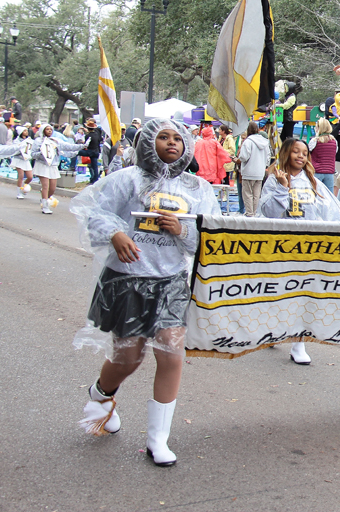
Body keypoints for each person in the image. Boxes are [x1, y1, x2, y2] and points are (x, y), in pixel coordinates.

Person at [71, 118, 220, 466]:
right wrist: (115, 233)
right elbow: (94, 211)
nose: (171, 143)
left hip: (171, 281)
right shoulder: (126, 180)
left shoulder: (198, 189)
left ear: (186, 146)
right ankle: (101, 394)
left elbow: (211, 236)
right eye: (163, 137)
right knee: (129, 358)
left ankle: (158, 440)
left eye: (178, 138)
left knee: (171, 353)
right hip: (127, 280)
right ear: (147, 143)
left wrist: (183, 229)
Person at [261, 136, 340, 364]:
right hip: (282, 248)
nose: (301, 156)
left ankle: (298, 343)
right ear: (286, 153)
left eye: (304, 153)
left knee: (303, 293)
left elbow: (330, 211)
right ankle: (276, 329)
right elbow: (268, 213)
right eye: (296, 152)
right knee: (281, 292)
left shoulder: (313, 181)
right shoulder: (274, 180)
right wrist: (283, 188)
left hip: (308, 249)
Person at [33, 125, 82, 214]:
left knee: (52, 187)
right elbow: (33, 154)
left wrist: (81, 146)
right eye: (47, 129)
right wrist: (42, 153)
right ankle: (45, 206)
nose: (49, 131)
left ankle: (45, 198)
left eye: (50, 129)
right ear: (43, 130)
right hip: (42, 165)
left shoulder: (55, 141)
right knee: (45, 186)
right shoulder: (38, 141)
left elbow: (68, 147)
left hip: (53, 166)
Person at [237, 122, 271, 217]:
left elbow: (244, 157)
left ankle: (249, 212)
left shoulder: (248, 142)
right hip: (260, 172)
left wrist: (238, 159)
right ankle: (255, 212)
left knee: (247, 193)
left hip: (248, 171)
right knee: (257, 194)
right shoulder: (265, 142)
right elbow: (268, 157)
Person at [309, 118, 338, 192]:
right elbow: (335, 153)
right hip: (330, 172)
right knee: (329, 195)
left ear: (319, 128)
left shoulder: (314, 141)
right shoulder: (334, 141)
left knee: (316, 194)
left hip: (316, 172)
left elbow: (307, 153)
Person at [78, 119, 105, 184]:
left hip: (90, 151)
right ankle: (95, 179)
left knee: (76, 152)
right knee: (95, 166)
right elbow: (100, 139)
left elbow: (86, 144)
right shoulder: (97, 133)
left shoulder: (88, 135)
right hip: (97, 151)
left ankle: (72, 166)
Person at [10, 127, 35, 198]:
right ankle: (19, 193)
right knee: (20, 176)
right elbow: (14, 150)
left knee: (30, 177)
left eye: (27, 131)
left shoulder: (30, 141)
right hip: (18, 160)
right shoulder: (16, 141)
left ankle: (23, 187)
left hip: (26, 160)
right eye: (24, 131)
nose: (26, 132)